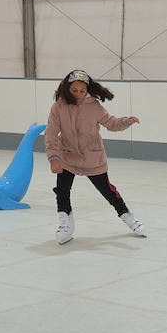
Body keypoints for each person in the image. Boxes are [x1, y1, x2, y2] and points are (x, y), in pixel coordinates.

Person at [46, 69, 144, 245]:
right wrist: (54, 158)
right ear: (67, 88)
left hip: (93, 158)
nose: (78, 94)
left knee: (108, 191)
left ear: (87, 89)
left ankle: (128, 217)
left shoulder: (94, 106)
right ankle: (66, 224)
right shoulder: (58, 107)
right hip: (68, 157)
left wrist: (125, 121)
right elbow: (51, 134)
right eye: (74, 90)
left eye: (82, 91)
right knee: (62, 190)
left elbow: (111, 123)